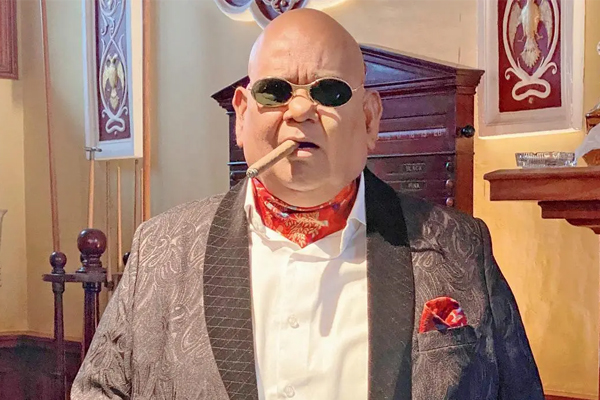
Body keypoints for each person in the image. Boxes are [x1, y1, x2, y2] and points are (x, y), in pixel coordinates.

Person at [71, 8, 544, 400]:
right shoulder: (161, 249)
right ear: (241, 115)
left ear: (369, 119)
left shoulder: (459, 247)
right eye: (275, 91)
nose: (299, 111)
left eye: (328, 92)